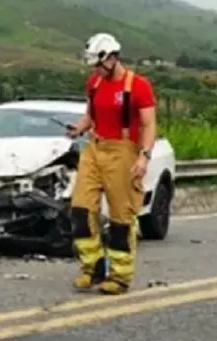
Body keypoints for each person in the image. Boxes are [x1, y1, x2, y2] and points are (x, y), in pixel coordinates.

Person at [65, 33, 158, 296]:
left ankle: (119, 276)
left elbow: (150, 124)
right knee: (81, 210)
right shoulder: (94, 83)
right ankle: (92, 268)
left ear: (113, 58)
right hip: (95, 148)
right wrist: (78, 129)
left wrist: (144, 156)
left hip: (123, 151)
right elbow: (91, 115)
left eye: (98, 64)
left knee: (120, 218)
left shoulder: (138, 86)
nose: (95, 70)